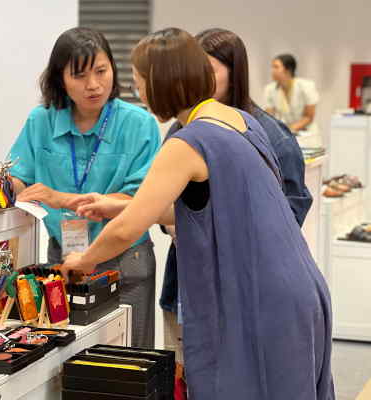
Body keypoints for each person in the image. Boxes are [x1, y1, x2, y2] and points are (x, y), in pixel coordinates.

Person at [62, 28, 335, 399]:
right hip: (299, 289)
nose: (139, 93)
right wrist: (117, 204)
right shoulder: (239, 120)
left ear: (161, 82)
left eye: (140, 82)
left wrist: (85, 259)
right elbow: (203, 206)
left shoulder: (189, 141)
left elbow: (128, 229)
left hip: (262, 297)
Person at [159, 29, 314, 378]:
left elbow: (289, 215)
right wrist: (173, 224)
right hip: (186, 285)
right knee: (186, 379)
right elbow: (162, 202)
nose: (198, 80)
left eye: (208, 70)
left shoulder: (270, 134)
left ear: (235, 71)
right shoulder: (181, 129)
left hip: (249, 294)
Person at [8, 27, 160, 348]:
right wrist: (5, 187)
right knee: (69, 364)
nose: (94, 85)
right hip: (64, 262)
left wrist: (58, 197)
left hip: (124, 262)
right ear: (60, 79)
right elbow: (18, 175)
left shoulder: (139, 124)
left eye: (101, 71)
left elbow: (136, 200)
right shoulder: (42, 121)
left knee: (128, 364)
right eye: (79, 75)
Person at [265, 53, 320, 135]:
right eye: (272, 67)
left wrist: (288, 130)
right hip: (287, 133)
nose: (272, 71)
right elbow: (269, 117)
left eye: (276, 67)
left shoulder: (306, 86)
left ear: (288, 70)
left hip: (307, 134)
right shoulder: (270, 89)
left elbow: (308, 117)